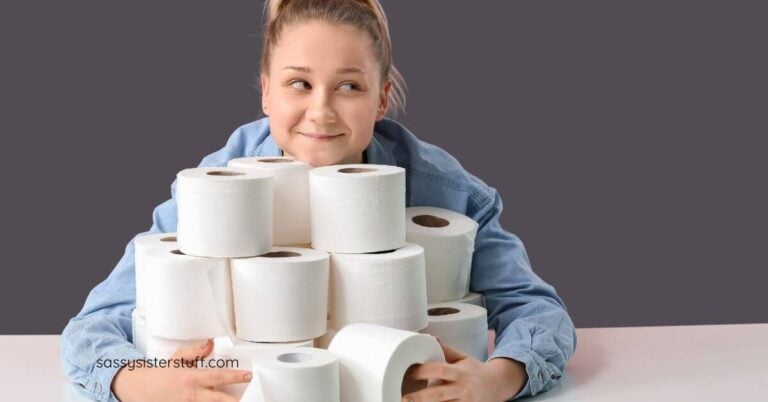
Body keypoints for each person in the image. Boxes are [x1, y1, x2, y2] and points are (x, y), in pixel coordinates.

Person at [61, 1, 577, 401]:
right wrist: (131, 381)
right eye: (299, 84)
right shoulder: (217, 190)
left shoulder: (444, 193)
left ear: (380, 98)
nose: (321, 111)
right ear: (266, 93)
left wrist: (501, 379)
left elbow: (536, 309)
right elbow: (91, 327)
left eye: (349, 86)